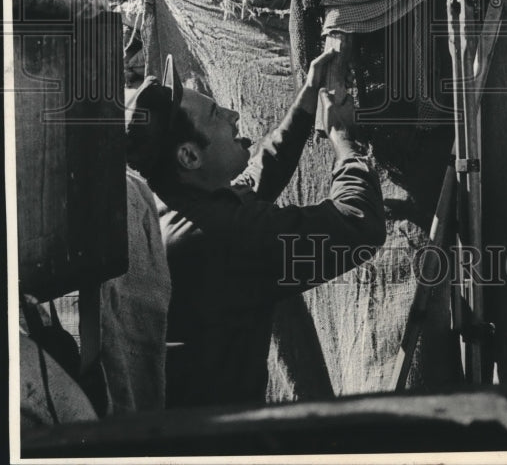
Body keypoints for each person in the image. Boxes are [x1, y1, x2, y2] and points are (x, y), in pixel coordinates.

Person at [124, 50, 385, 408]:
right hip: (217, 433)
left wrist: (307, 101)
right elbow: (357, 224)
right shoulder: (220, 237)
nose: (233, 115)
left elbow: (252, 182)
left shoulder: (171, 206)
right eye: (216, 115)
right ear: (190, 157)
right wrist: (344, 141)